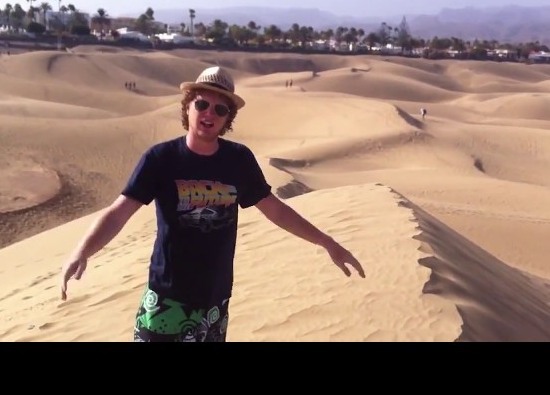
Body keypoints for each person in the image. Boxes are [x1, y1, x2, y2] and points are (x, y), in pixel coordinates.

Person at [59, 66, 366, 342]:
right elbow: (119, 212)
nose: (210, 113)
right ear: (188, 107)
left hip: (214, 301)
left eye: (220, 109)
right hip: (166, 298)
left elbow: (275, 209)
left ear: (227, 119)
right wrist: (82, 250)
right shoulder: (161, 159)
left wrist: (327, 242)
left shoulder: (238, 160)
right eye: (202, 104)